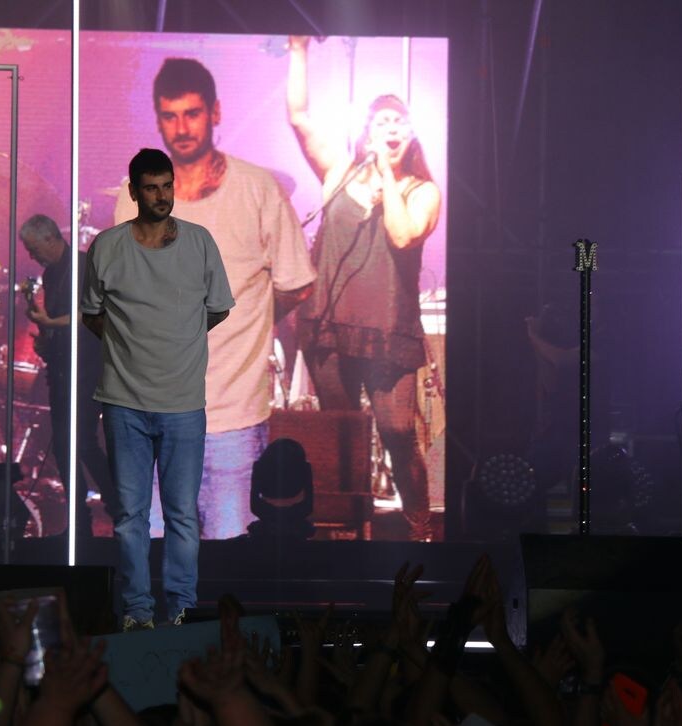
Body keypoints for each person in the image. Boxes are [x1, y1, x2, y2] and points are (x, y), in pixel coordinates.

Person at [114, 57, 315, 540]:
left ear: (216, 113)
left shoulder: (257, 190)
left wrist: (249, 318)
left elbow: (297, 283)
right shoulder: (134, 196)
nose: (181, 128)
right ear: (158, 119)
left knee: (233, 567)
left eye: (192, 113)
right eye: (170, 115)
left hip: (235, 418)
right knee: (161, 564)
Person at [286, 36, 442, 541]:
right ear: (367, 131)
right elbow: (299, 116)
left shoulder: (422, 192)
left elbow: (400, 234)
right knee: (342, 433)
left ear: (411, 134)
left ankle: (419, 525)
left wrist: (387, 174)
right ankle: (349, 531)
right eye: (381, 122)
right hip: (328, 324)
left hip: (386, 331)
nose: (390, 128)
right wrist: (297, 50)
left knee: (398, 431)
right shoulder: (337, 173)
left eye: (399, 122)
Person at [84, 148, 234, 630]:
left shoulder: (199, 242)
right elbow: (93, 315)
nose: (161, 195)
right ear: (134, 191)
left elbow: (217, 307)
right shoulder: (107, 246)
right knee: (130, 516)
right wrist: (133, 346)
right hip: (124, 401)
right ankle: (137, 611)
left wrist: (176, 343)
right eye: (151, 187)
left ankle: (181, 609)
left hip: (183, 403)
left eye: (167, 186)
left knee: (182, 516)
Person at [18, 214, 116, 537]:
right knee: (63, 447)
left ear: (50, 239)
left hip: (89, 369)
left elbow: (95, 314)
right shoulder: (50, 275)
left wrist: (51, 322)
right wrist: (45, 338)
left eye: (34, 249)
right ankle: (79, 522)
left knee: (83, 443)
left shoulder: (86, 266)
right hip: (62, 370)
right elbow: (59, 322)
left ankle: (120, 507)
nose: (33, 257)